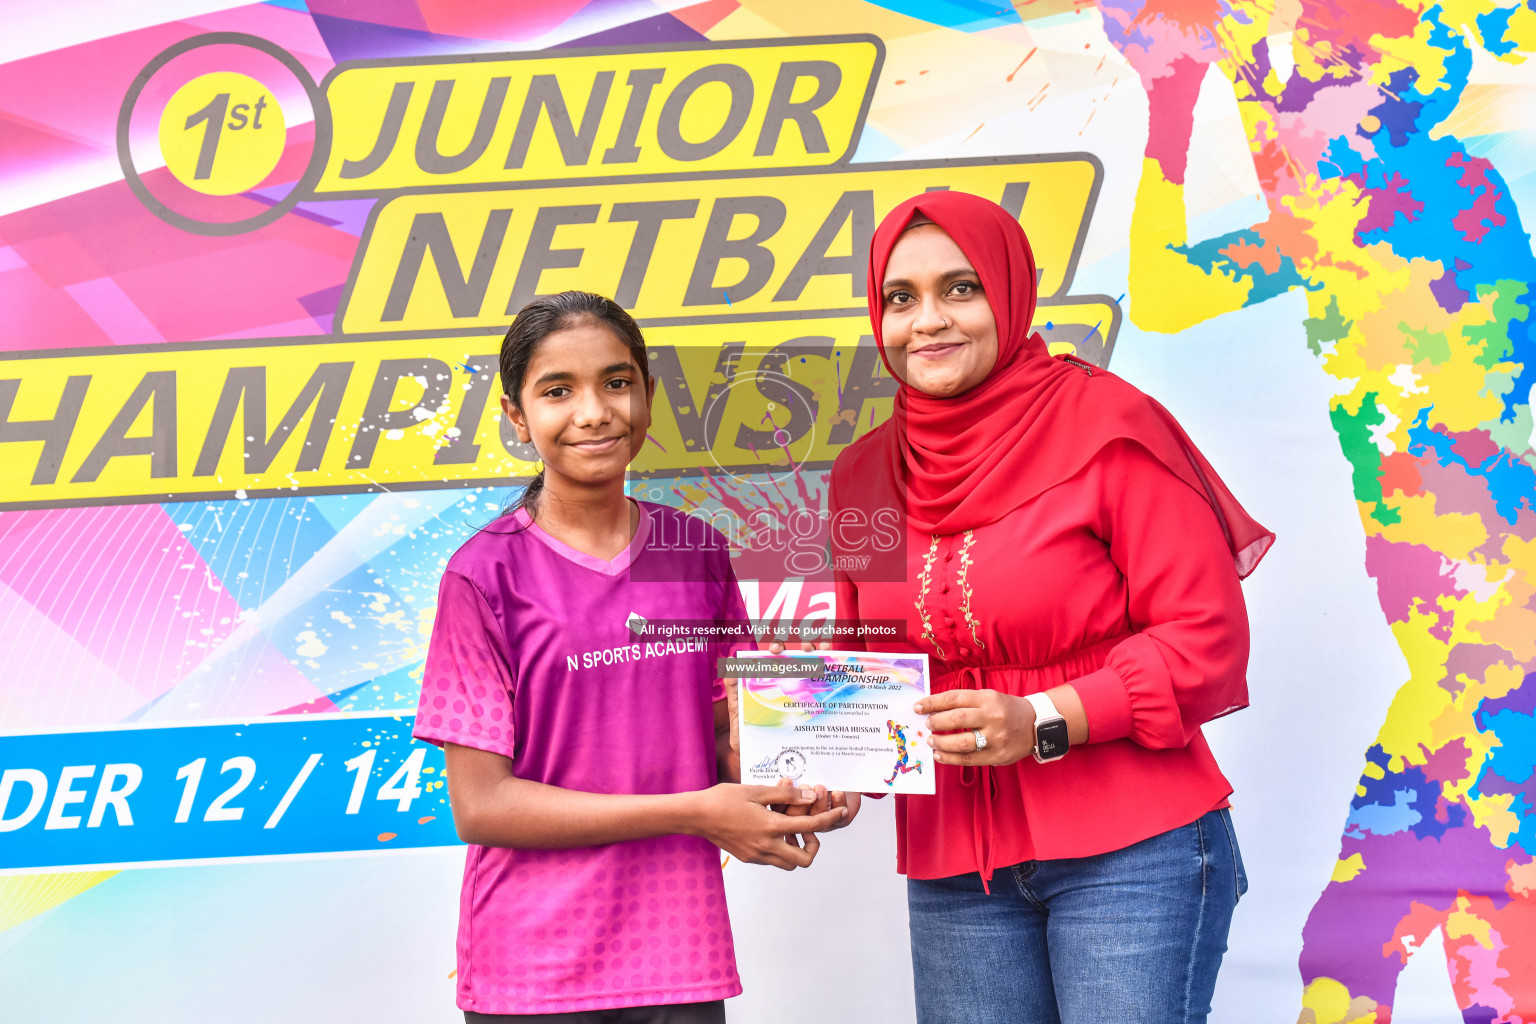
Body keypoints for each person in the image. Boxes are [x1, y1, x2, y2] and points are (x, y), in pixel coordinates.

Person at [825, 191, 1275, 1024]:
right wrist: (824, 763)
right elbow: (865, 670)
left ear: (1011, 291)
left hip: (1135, 855)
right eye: (901, 297)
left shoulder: (1108, 425)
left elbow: (1205, 641)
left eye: (960, 289)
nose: (928, 320)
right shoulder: (860, 476)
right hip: (956, 870)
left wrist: (1041, 717)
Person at [411, 290, 848, 1023]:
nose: (593, 412)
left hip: (679, 958)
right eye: (558, 391)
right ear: (518, 417)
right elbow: (481, 804)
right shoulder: (482, 575)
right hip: (534, 970)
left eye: (616, 382)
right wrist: (698, 812)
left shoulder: (695, 550)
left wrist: (809, 777)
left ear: (647, 396)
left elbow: (721, 739)